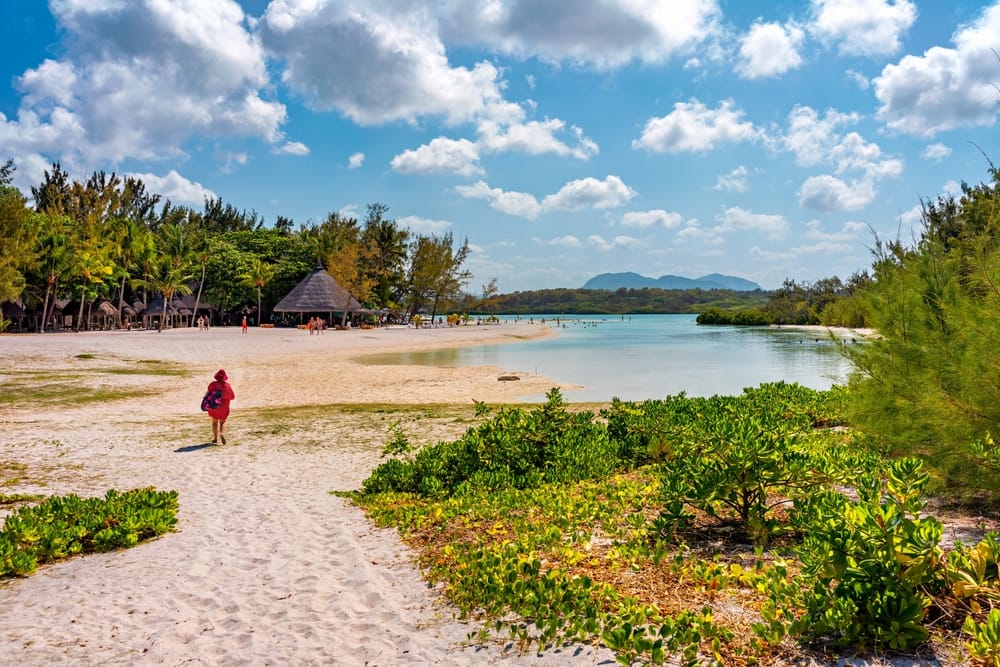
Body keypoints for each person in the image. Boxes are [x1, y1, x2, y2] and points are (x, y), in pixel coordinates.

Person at [205, 369, 236, 444]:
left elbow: (207, 394)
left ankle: (215, 438)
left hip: (213, 405)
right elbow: (232, 397)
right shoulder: (227, 385)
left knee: (214, 422)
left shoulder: (212, 384)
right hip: (224, 406)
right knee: (223, 422)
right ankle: (222, 433)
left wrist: (205, 401)